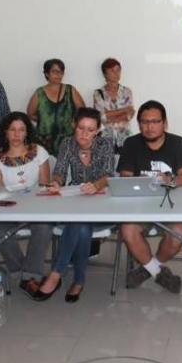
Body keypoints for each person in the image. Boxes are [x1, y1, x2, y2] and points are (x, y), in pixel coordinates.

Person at [29, 107, 114, 302]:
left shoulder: (106, 144)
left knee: (78, 224)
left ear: (98, 130)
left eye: (90, 130)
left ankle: (56, 273)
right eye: (81, 128)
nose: (84, 134)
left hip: (103, 204)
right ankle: (79, 280)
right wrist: (57, 182)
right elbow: (59, 170)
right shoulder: (67, 143)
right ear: (73, 126)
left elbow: (108, 174)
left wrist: (96, 184)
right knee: (81, 227)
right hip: (77, 201)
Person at [117, 100, 182, 294]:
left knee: (178, 233)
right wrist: (142, 180)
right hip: (140, 206)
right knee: (127, 229)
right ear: (139, 124)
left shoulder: (178, 142)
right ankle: (157, 272)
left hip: (171, 206)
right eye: (144, 122)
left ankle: (148, 268)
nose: (149, 127)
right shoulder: (131, 143)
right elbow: (125, 176)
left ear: (164, 123)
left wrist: (171, 180)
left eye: (155, 121)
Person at [0, 112, 53, 297]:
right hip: (9, 210)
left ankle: (29, 275)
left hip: (36, 209)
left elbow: (45, 186)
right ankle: (24, 274)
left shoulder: (38, 152)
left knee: (44, 226)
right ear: (5, 132)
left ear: (27, 133)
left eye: (21, 130)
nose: (16, 134)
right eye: (12, 130)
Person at [26, 58, 85, 156]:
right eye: (54, 71)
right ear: (46, 74)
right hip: (44, 141)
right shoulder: (39, 93)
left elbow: (83, 111)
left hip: (67, 139)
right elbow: (30, 114)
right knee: (45, 168)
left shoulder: (70, 90)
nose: (59, 74)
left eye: (61, 72)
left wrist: (74, 123)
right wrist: (46, 121)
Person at [92, 58, 135, 154]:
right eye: (112, 70)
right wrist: (123, 110)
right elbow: (101, 117)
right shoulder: (98, 93)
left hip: (124, 137)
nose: (116, 73)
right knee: (107, 166)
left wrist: (110, 117)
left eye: (118, 70)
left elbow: (130, 114)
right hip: (106, 137)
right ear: (105, 74)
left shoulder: (126, 91)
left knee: (124, 165)